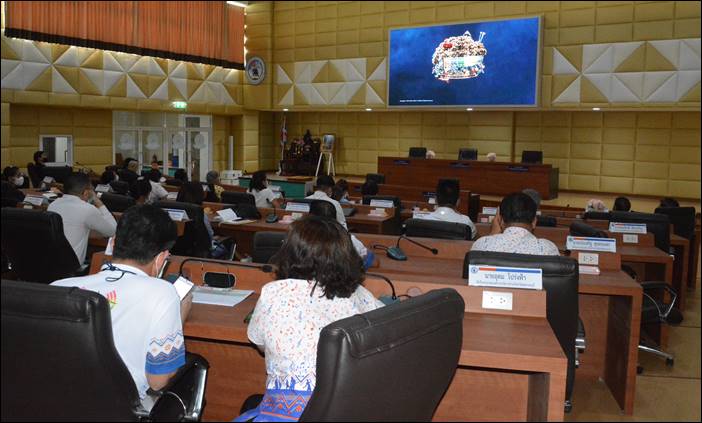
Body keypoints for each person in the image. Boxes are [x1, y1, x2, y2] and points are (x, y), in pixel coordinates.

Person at [235, 216, 383, 421]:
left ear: (291, 253)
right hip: (349, 410)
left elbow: (260, 343)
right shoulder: (361, 296)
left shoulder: (274, 293)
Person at [51, 205, 190, 410]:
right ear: (161, 259)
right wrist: (182, 311)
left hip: (53, 404)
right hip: (118, 409)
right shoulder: (162, 293)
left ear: (113, 243)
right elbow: (158, 380)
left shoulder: (58, 287)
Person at [47, 172, 118, 264]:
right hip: (71, 267)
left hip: (53, 263)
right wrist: (98, 201)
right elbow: (113, 231)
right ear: (86, 192)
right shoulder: (88, 209)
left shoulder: (53, 205)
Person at [471, 192, 559, 256]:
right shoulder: (549, 249)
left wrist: (491, 237)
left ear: (500, 221)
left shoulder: (481, 245)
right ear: (534, 221)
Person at [309, 200, 376, 268]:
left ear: (309, 218)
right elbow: (374, 263)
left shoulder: (301, 239)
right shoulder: (348, 240)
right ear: (335, 219)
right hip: (336, 277)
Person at [177, 182, 229, 259]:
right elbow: (210, 234)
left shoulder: (174, 209)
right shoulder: (199, 212)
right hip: (200, 254)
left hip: (178, 253)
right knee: (227, 244)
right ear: (200, 194)